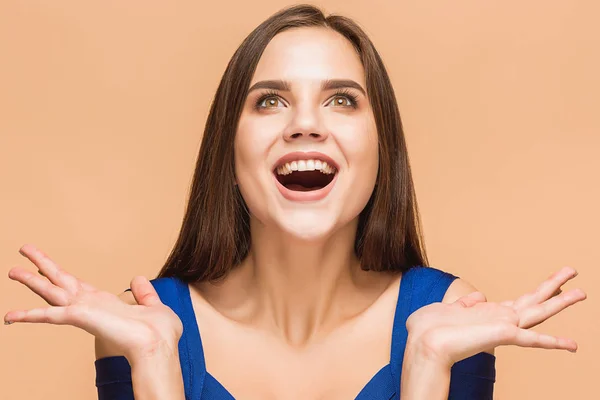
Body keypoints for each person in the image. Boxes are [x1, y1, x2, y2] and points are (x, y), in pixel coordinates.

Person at [4, 4, 586, 400]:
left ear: (382, 147)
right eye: (269, 102)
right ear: (226, 148)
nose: (306, 124)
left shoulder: (449, 318)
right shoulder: (143, 326)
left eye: (341, 100)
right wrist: (155, 365)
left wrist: (430, 364)